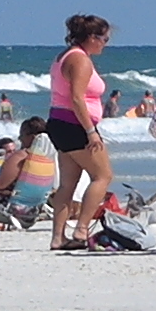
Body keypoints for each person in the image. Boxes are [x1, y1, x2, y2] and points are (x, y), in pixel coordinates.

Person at [45, 13, 116, 250]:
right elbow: (77, 98)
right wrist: (90, 131)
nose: (106, 43)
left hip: (59, 122)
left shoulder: (63, 56)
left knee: (68, 184)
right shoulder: (80, 60)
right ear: (92, 38)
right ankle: (82, 229)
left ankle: (57, 237)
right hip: (75, 125)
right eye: (104, 39)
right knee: (103, 176)